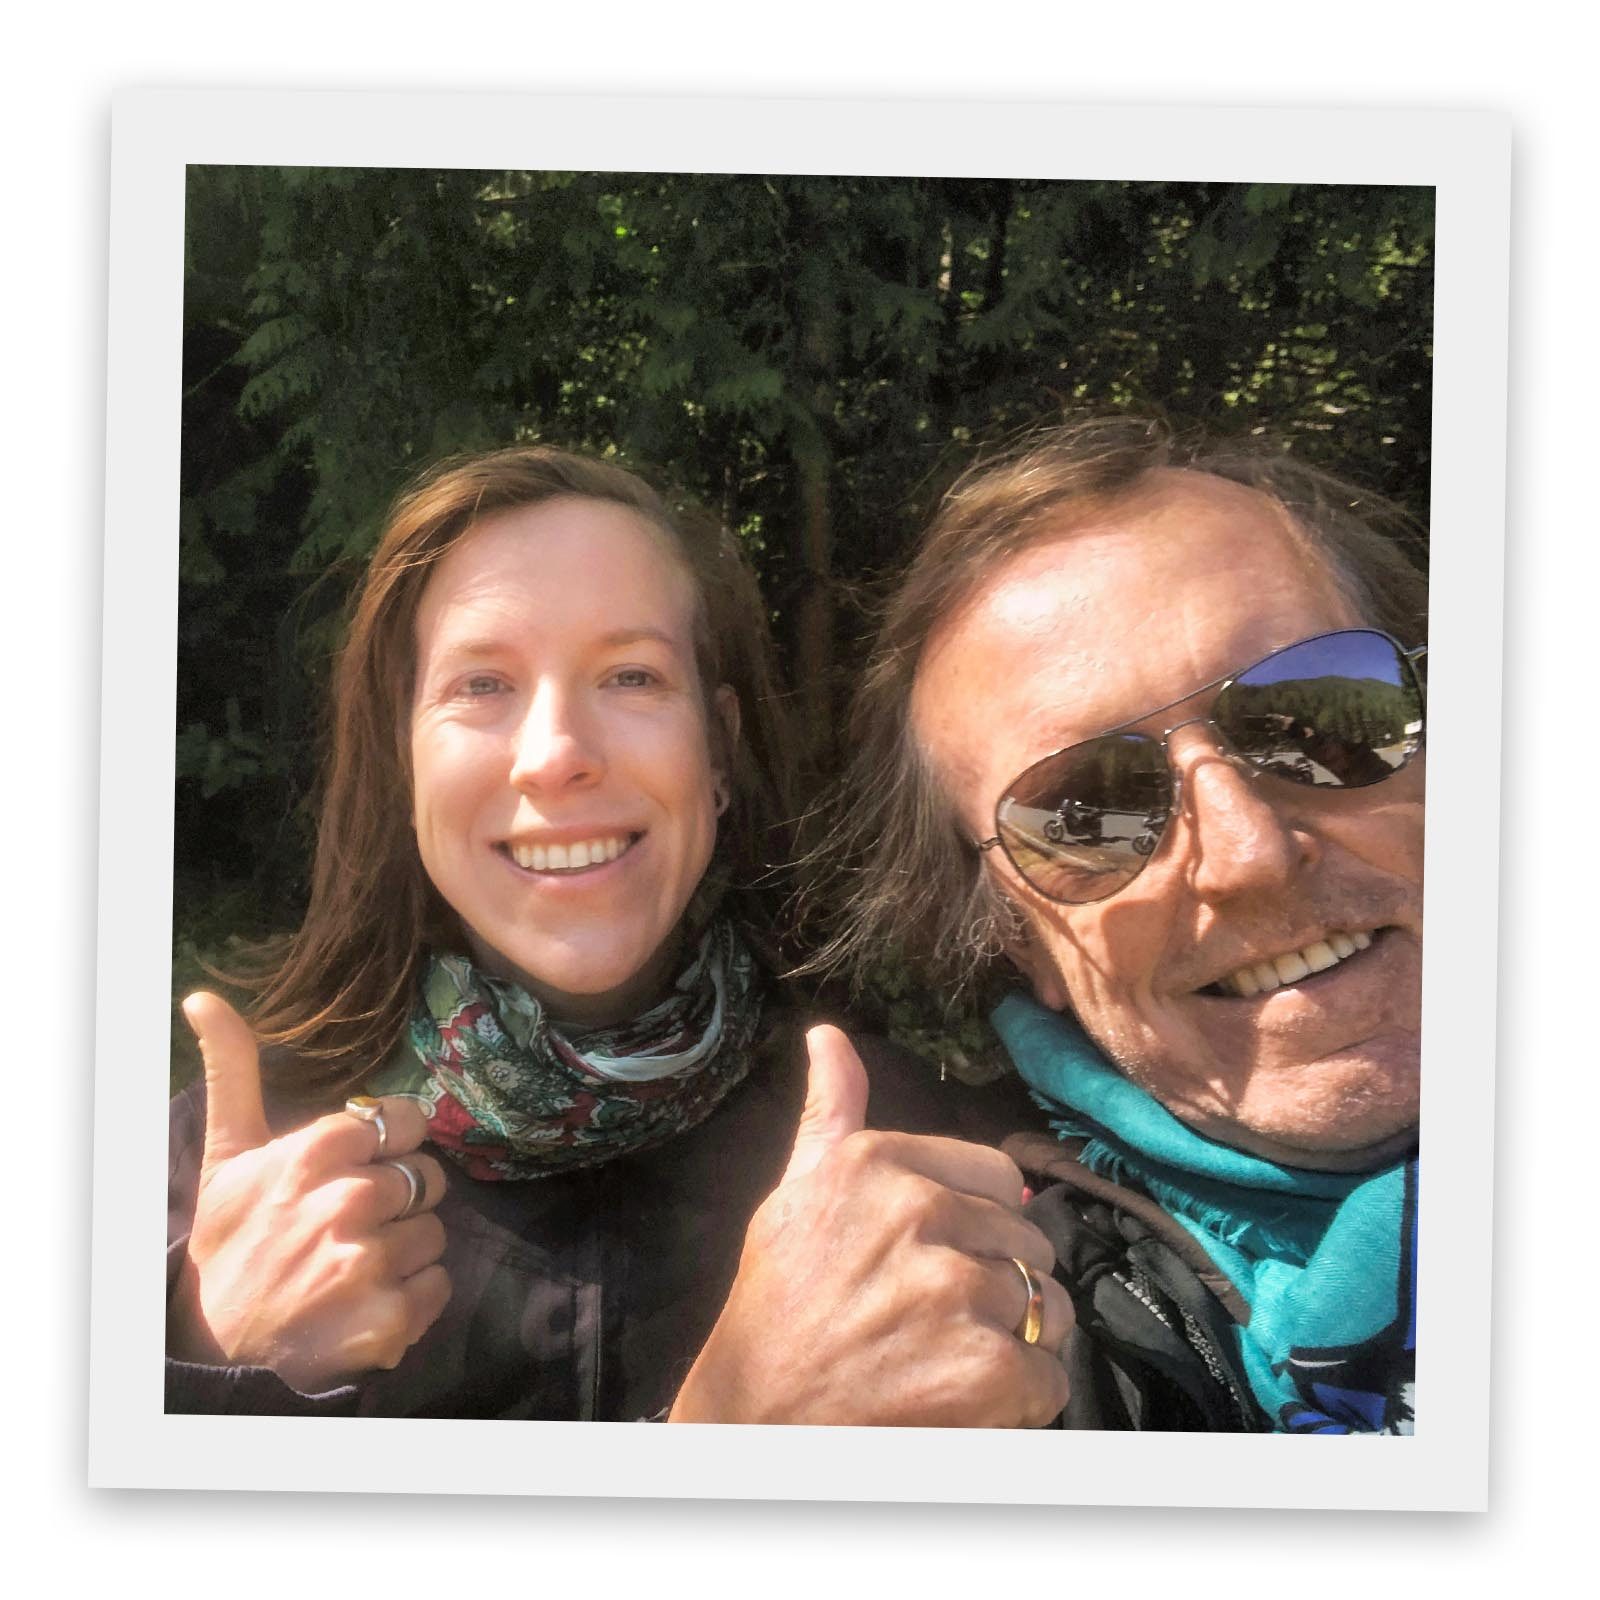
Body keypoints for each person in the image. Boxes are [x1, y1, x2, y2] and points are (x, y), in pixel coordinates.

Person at [166, 445, 1073, 1425]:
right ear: (402, 765)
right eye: (481, 685)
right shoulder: (214, 1185)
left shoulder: (927, 1155)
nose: (555, 756)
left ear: (719, 747)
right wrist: (202, 1356)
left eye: (631, 675)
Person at [819, 416, 1426, 1432]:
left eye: (1319, 716)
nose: (1249, 856)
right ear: (1019, 938)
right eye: (1088, 811)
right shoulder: (1010, 1371)